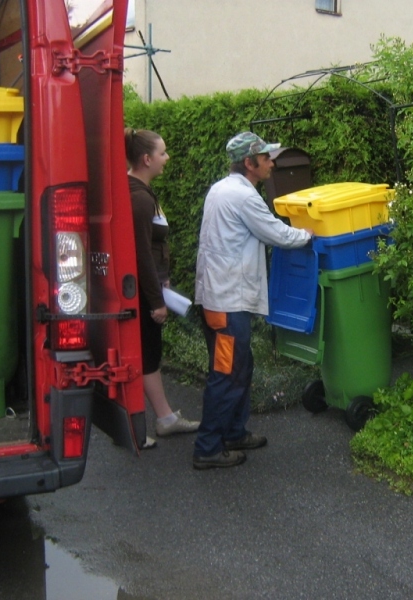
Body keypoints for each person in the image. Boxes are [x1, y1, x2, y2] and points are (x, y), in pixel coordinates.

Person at [192, 132, 314, 469]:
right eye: (266, 158)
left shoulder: (223, 189)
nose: (272, 163)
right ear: (250, 163)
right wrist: (310, 235)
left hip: (223, 298)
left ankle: (233, 432)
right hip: (227, 303)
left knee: (240, 368)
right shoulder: (242, 197)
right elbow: (275, 233)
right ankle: (207, 448)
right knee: (227, 373)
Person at [125, 127, 200, 449]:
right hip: (143, 292)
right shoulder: (139, 199)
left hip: (150, 286)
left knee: (145, 355)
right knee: (144, 355)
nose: (167, 158)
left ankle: (160, 419)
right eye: (162, 153)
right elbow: (139, 253)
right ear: (146, 158)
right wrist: (156, 300)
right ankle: (142, 424)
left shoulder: (138, 191)